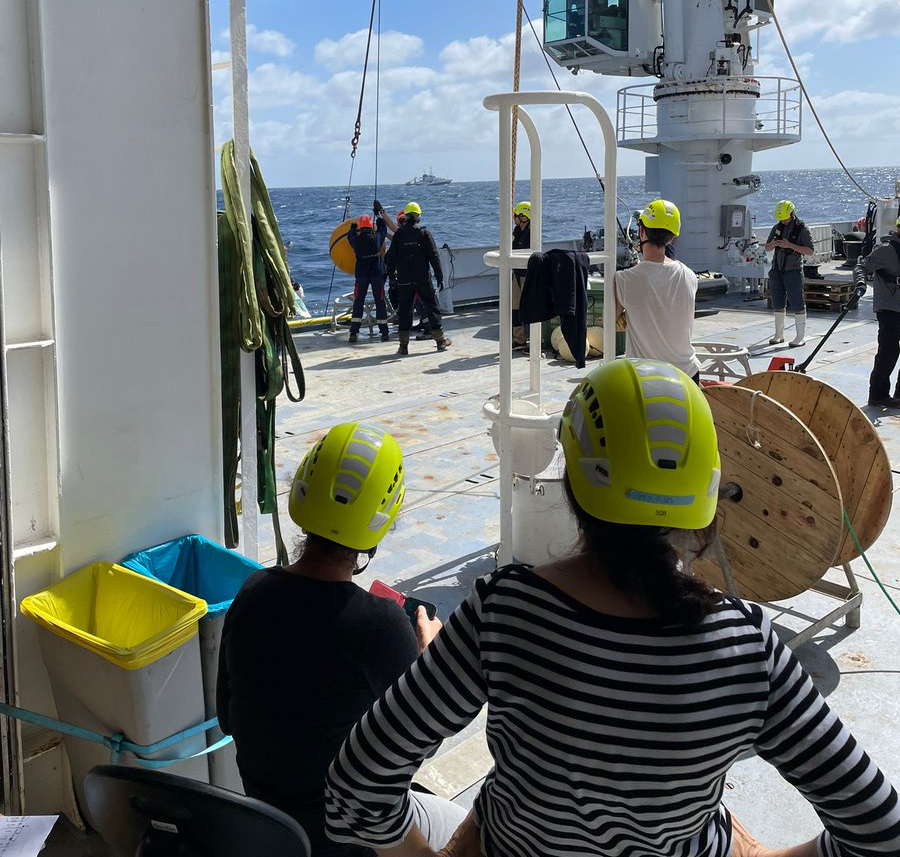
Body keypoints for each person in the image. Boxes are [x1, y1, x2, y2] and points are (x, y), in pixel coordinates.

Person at [324, 360, 900, 857]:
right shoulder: (749, 649)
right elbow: (880, 830)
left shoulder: (503, 611)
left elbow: (358, 783)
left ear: (573, 481)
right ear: (707, 494)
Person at [216, 421, 462, 857]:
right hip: (352, 839)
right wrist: (429, 660)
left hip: (269, 825)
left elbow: (227, 718)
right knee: (466, 826)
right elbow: (420, 747)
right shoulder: (382, 625)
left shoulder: (253, 592)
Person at [614, 199, 701, 381]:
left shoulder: (624, 280)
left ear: (641, 231)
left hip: (648, 379)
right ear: (672, 237)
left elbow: (611, 324)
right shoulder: (689, 275)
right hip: (688, 375)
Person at [385, 202, 450, 356]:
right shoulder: (424, 233)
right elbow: (434, 256)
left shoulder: (399, 235)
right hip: (422, 278)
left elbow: (390, 258)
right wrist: (439, 276)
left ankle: (403, 346)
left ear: (406, 216)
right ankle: (440, 341)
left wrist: (391, 277)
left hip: (404, 279)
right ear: (419, 216)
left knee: (405, 310)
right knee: (432, 307)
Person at [854, 214, 900, 407]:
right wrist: (860, 283)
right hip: (889, 307)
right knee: (889, 351)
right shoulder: (886, 250)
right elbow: (861, 266)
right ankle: (878, 395)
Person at [765, 200, 814, 347]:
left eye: (785, 219)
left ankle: (800, 337)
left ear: (792, 214)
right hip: (776, 270)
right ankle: (779, 334)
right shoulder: (777, 228)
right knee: (777, 302)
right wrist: (772, 244)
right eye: (781, 219)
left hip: (793, 271)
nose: (783, 221)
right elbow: (767, 247)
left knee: (797, 302)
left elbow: (810, 251)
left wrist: (790, 245)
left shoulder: (802, 229)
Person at [348, 214, 390, 343]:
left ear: (360, 227)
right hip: (376, 273)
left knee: (358, 301)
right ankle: (384, 332)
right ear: (371, 226)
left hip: (361, 274)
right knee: (380, 300)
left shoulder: (355, 240)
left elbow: (349, 235)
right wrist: (378, 216)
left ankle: (354, 332)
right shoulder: (377, 238)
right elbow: (383, 229)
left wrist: (353, 227)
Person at [511, 201, 531, 350]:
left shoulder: (532, 234)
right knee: (515, 307)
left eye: (516, 215)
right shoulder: (517, 232)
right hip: (517, 274)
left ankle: (534, 339)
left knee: (530, 307)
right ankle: (519, 339)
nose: (514, 218)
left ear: (524, 217)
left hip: (528, 275)